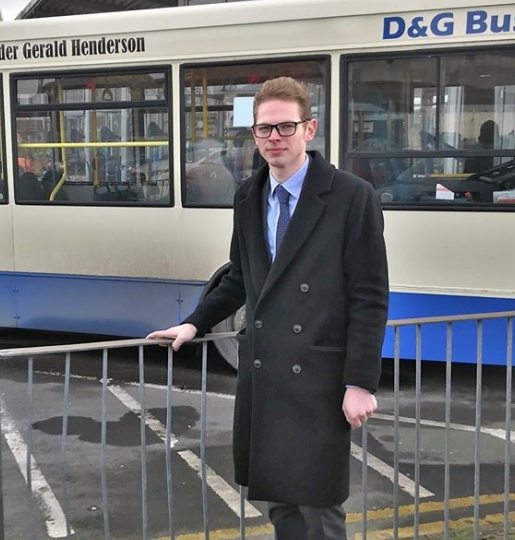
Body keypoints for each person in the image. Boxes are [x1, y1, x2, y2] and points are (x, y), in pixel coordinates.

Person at [147, 77, 388, 540]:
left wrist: (360, 382)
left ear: (309, 129)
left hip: (320, 376)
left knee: (319, 506)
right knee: (280, 503)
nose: (274, 138)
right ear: (254, 135)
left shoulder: (350, 196)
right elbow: (240, 275)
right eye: (264, 129)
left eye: (285, 127)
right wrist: (194, 323)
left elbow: (370, 297)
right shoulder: (248, 195)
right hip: (266, 373)